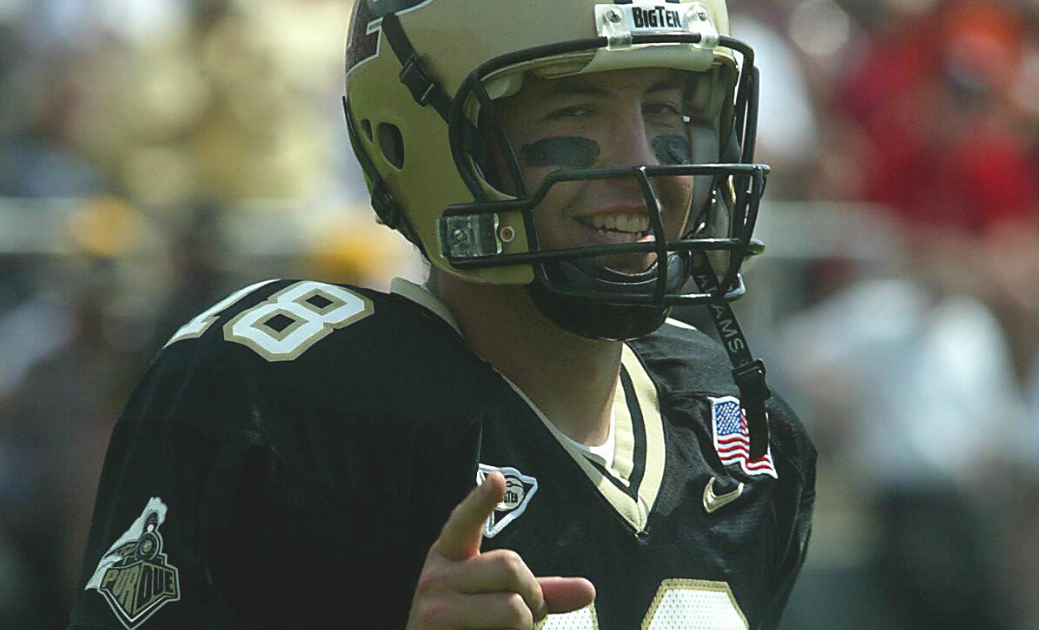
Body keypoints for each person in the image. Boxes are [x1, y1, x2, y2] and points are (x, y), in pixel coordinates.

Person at [68, 1, 816, 628]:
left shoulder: (738, 430)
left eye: (666, 109)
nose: (647, 161)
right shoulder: (275, 406)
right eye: (575, 109)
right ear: (423, 138)